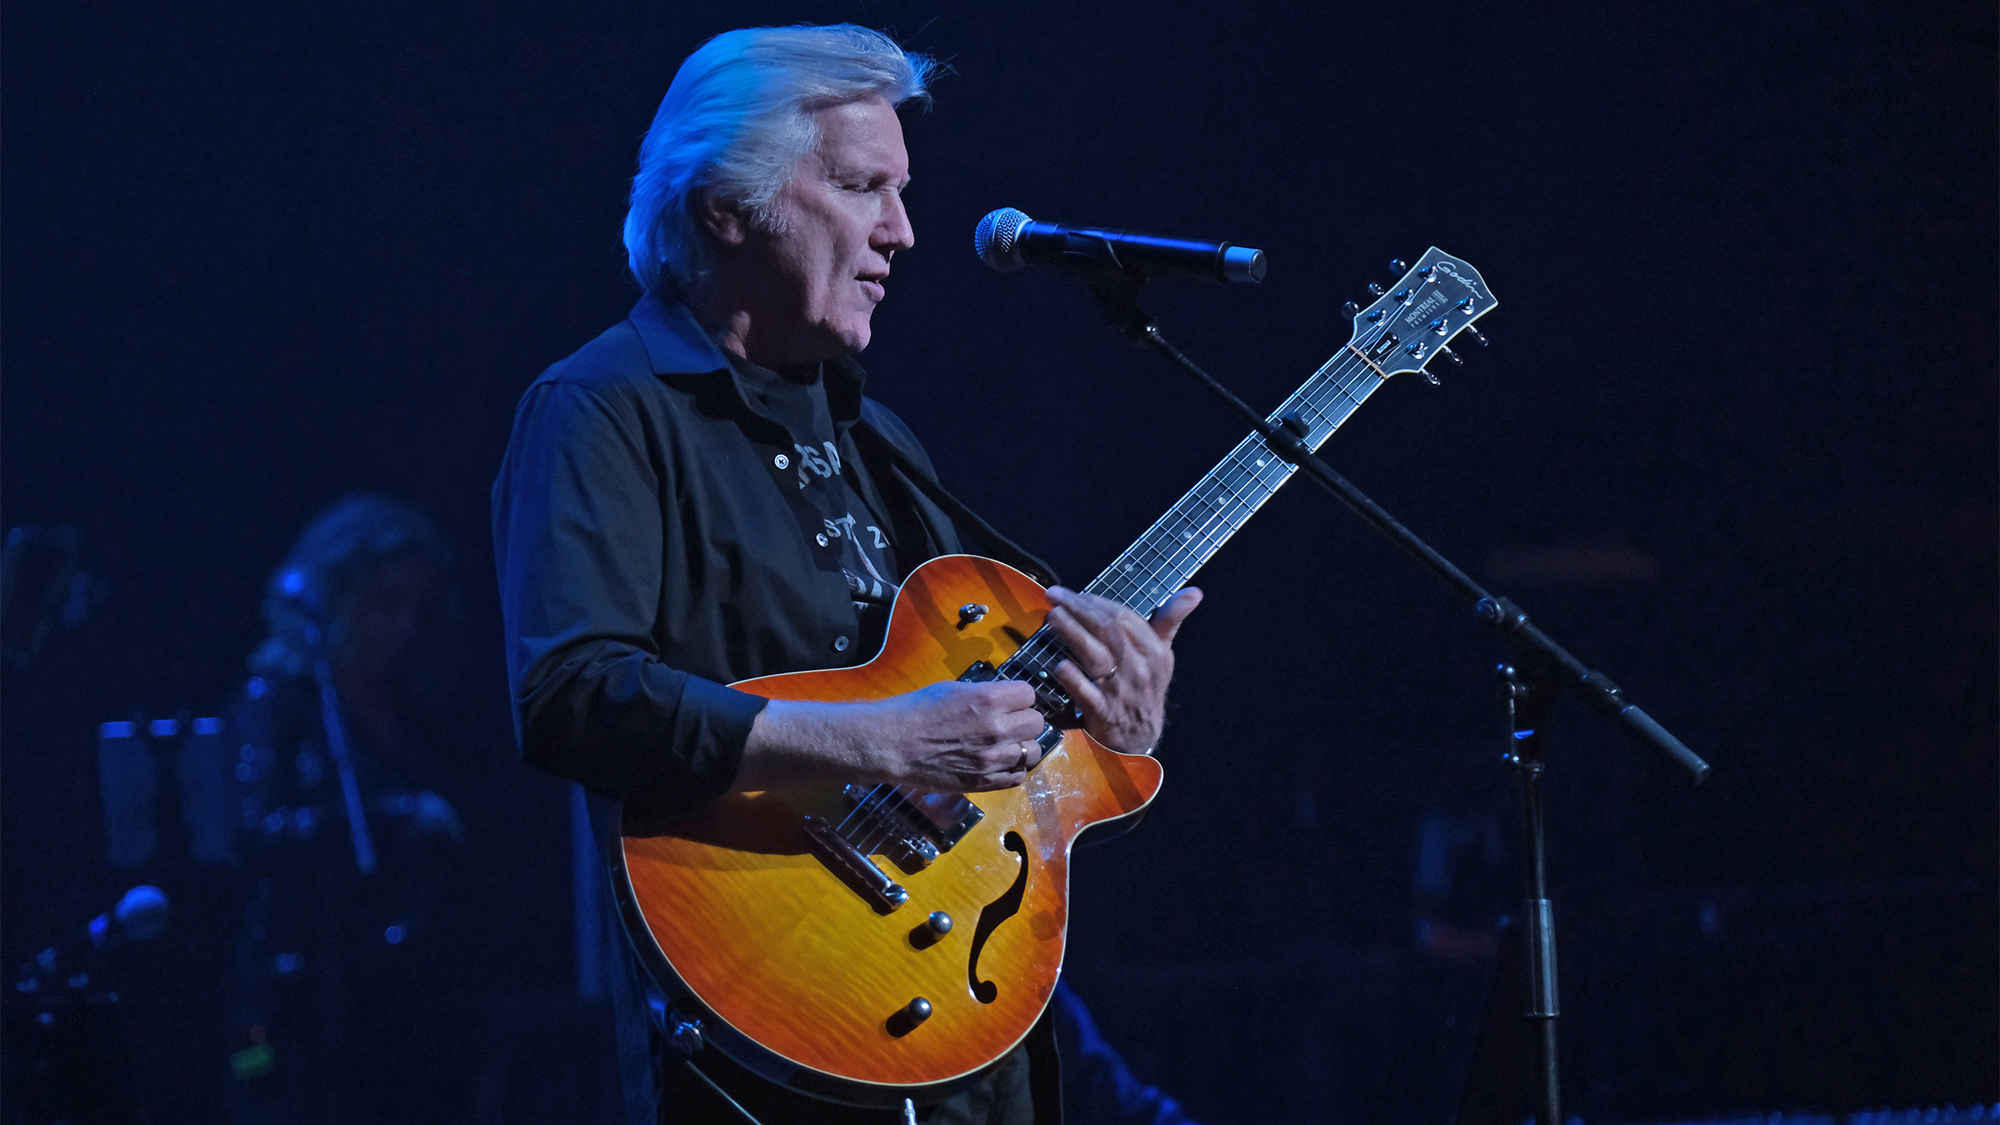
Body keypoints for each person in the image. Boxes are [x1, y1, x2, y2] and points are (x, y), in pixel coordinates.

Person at [492, 25, 1201, 1124]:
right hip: (761, 1036)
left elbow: (986, 760)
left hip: (962, 1025)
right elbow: (571, 696)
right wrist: (880, 739)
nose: (902, 233)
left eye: (901, 192)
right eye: (865, 187)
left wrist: (1114, 734)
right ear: (728, 206)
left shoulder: (881, 439)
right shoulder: (603, 408)